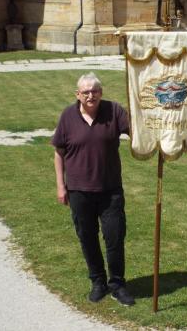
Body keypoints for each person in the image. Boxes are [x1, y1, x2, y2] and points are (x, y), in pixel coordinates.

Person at [52, 72, 136, 306]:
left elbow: (137, 132)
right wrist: (61, 186)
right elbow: (59, 153)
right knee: (87, 237)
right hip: (79, 190)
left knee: (115, 236)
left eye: (95, 90)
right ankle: (98, 282)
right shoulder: (68, 117)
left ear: (101, 92)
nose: (91, 95)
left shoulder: (114, 111)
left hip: (110, 190)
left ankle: (117, 284)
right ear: (77, 94)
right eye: (86, 92)